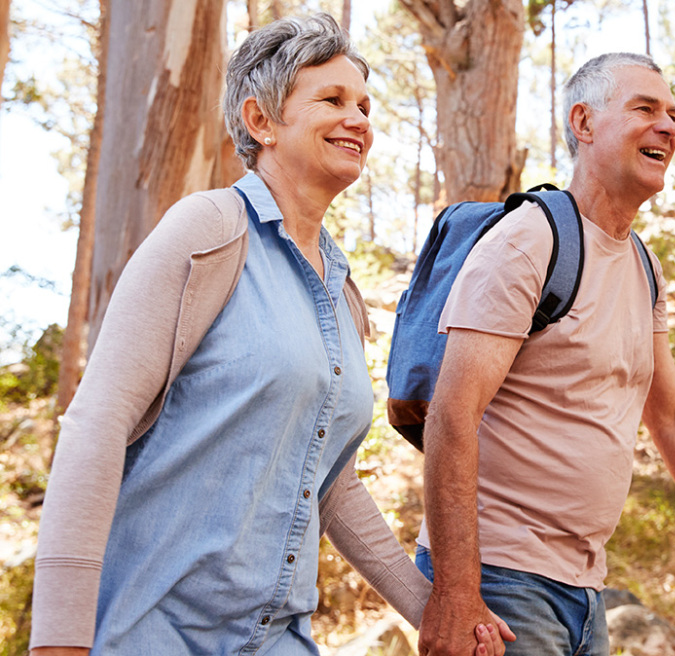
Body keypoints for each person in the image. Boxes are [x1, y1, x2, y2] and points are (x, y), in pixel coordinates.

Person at [30, 14, 509, 656]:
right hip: (152, 633)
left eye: (364, 105)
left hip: (278, 639)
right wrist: (59, 639)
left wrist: (436, 609)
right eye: (333, 101)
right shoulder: (209, 230)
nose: (360, 120)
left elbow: (332, 482)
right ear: (261, 122)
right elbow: (98, 421)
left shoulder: (341, 290)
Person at [415, 52, 675, 656]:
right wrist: (457, 589)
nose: (670, 127)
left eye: (674, 115)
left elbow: (672, 415)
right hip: (500, 582)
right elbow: (451, 413)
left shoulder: (643, 265)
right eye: (645, 109)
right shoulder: (530, 241)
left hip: (584, 589)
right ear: (584, 123)